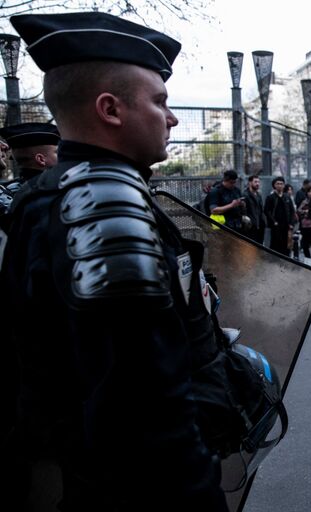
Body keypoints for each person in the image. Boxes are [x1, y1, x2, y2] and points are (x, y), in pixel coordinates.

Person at [0, 12, 227, 509]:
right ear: (110, 109)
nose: (170, 118)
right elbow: (143, 404)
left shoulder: (59, 191)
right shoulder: (102, 202)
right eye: (160, 101)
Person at [0, 122, 60, 188]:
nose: (62, 156)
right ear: (41, 159)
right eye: (56, 152)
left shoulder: (11, 191)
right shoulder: (57, 188)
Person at [265, 175, 295, 256]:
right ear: (274, 185)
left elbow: (292, 211)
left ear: (284, 185)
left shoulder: (287, 197)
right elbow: (267, 211)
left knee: (287, 245)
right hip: (276, 226)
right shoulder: (270, 197)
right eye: (277, 184)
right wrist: (273, 221)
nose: (280, 185)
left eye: (281, 184)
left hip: (286, 225)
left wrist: (291, 223)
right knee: (275, 245)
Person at [242, 174, 267, 244]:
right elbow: (244, 211)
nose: (258, 184)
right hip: (251, 227)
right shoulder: (245, 195)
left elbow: (261, 210)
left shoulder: (259, 195)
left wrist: (263, 222)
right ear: (250, 182)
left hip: (260, 226)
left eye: (258, 182)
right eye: (255, 182)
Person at [297, 185, 311, 259]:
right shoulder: (305, 201)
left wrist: (310, 212)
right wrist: (305, 212)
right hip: (305, 226)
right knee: (305, 244)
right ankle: (308, 259)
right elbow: (299, 211)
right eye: (309, 191)